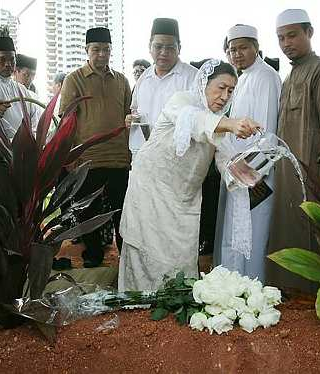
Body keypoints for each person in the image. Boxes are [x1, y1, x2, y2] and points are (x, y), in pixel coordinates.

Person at [118, 60, 260, 292]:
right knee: (147, 253)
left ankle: (174, 310)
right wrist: (232, 124)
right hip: (151, 190)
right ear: (204, 84)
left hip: (183, 200)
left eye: (231, 91)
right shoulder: (183, 102)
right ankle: (140, 308)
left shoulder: (219, 121)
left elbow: (226, 159)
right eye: (220, 88)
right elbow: (194, 120)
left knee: (179, 259)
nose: (225, 96)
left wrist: (244, 176)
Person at [266, 9, 320, 293]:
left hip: (312, 172)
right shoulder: (288, 77)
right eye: (280, 37)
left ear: (309, 33)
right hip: (287, 171)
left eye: (292, 35)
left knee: (310, 233)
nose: (286, 42)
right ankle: (287, 290)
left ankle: (310, 296)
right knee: (288, 230)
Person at [214, 24, 281, 283]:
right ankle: (234, 285)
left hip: (255, 174)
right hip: (238, 171)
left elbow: (267, 132)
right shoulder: (241, 78)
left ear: (256, 47)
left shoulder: (265, 76)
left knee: (253, 233)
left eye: (243, 47)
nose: (237, 54)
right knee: (237, 230)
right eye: (233, 49)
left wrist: (254, 175)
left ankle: (253, 289)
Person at [59, 27, 131, 267]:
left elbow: (128, 116)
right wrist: (68, 157)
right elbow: (66, 120)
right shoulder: (74, 79)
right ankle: (92, 253)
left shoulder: (121, 80)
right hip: (87, 159)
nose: (102, 54)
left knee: (122, 210)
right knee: (88, 210)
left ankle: (126, 254)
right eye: (96, 49)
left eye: (106, 50)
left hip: (119, 159)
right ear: (87, 50)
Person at [128, 18, 197, 158]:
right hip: (144, 156)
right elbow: (135, 112)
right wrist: (130, 120)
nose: (164, 52)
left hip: (178, 161)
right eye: (158, 47)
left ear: (179, 48)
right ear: (150, 47)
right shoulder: (143, 78)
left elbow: (201, 121)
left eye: (170, 47)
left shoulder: (193, 77)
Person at [0, 36, 40, 140]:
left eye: (12, 59)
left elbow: (34, 118)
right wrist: (16, 140)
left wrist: (31, 139)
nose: (8, 64)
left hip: (25, 148)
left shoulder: (22, 89)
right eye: (2, 59)